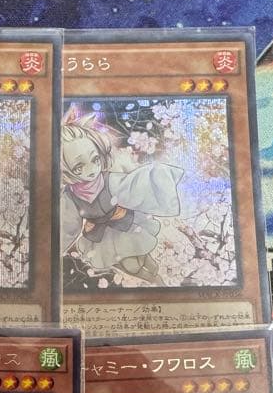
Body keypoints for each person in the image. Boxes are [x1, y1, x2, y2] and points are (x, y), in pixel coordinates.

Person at [60, 109, 182, 285]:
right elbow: (67, 226)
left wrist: (159, 178)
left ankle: (155, 275)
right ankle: (155, 280)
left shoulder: (109, 180)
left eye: (95, 159)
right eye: (78, 167)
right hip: (101, 237)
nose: (92, 170)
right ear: (65, 170)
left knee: (142, 259)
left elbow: (133, 186)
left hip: (124, 225)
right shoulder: (69, 196)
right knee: (131, 266)